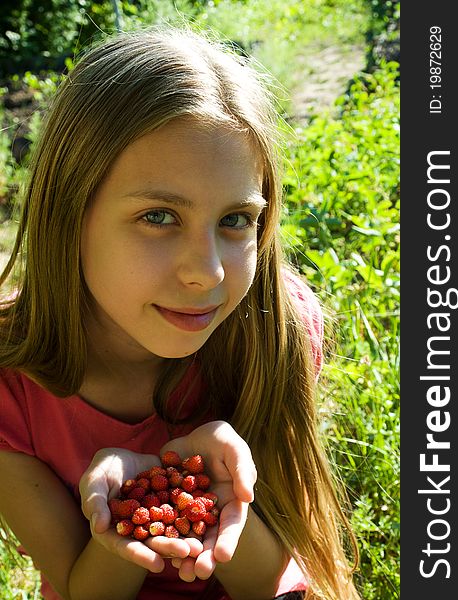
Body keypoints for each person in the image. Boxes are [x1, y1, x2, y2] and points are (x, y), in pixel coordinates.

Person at [0, 26, 360, 600]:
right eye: (160, 217)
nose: (209, 273)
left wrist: (217, 496)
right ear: (68, 214)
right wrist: (129, 511)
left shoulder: (277, 325)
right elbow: (79, 591)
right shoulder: (10, 383)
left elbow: (274, 580)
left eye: (236, 219)